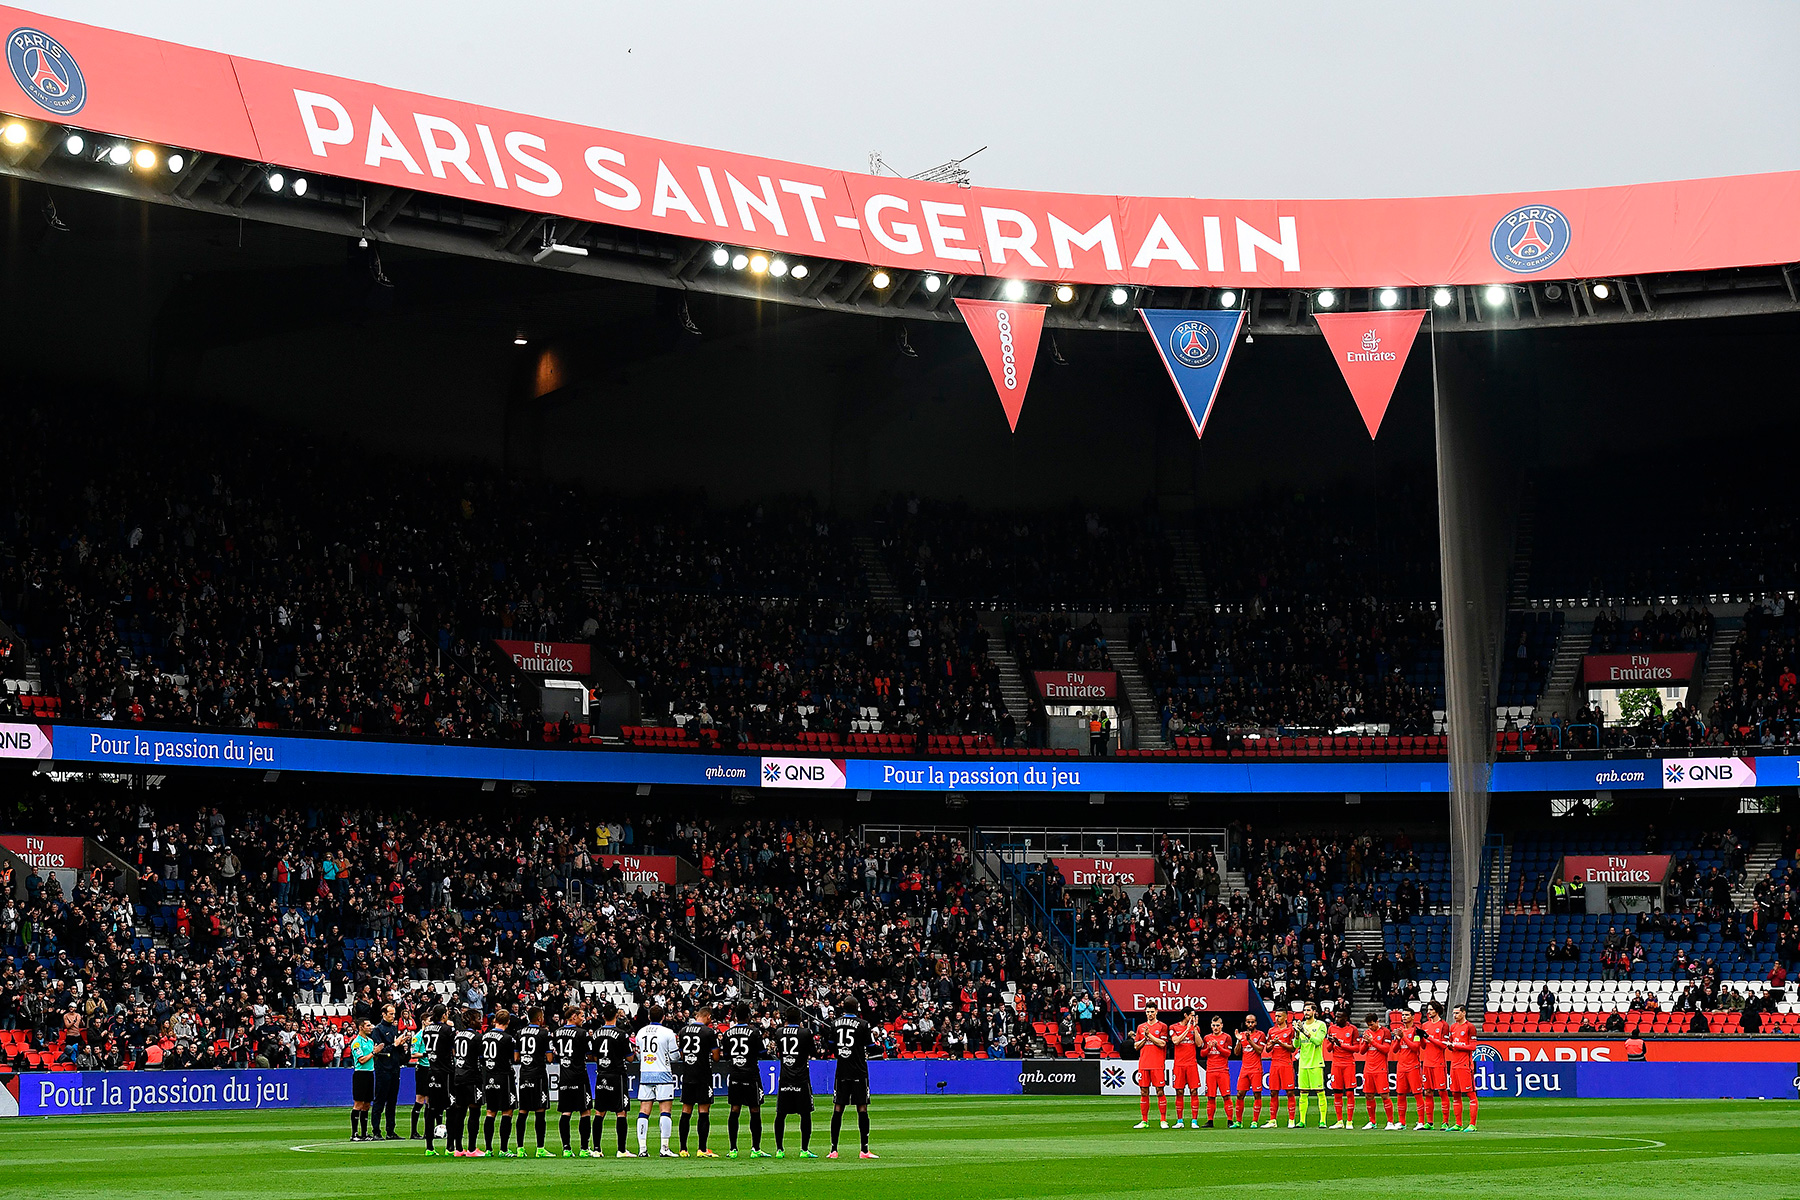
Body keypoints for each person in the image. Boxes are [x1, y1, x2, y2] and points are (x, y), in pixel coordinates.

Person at [828, 1002, 877, 1159]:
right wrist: (880, 1048)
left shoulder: (834, 1023)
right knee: (862, 1108)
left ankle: (834, 1150)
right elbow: (870, 1047)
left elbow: (830, 1046)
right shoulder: (863, 1024)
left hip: (842, 1070)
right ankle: (864, 1150)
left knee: (838, 1108)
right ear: (857, 1008)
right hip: (858, 1070)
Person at [634, 1003, 682, 1158]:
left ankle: (642, 1149)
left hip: (646, 1073)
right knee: (665, 1111)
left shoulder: (640, 1032)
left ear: (649, 1017)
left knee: (644, 1111)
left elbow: (640, 1055)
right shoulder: (668, 1032)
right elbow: (675, 1056)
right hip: (663, 1074)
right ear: (663, 1017)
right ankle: (664, 1147)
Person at [722, 1001, 768, 1158]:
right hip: (751, 1075)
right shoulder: (754, 1032)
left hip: (735, 1074)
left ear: (735, 1017)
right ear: (748, 1016)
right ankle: (755, 1149)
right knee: (754, 1110)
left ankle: (733, 1149)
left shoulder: (728, 1033)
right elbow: (763, 1052)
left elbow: (726, 1055)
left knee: (734, 1110)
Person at [773, 1012, 819, 1158]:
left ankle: (779, 1149)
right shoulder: (805, 1032)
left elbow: (779, 1051)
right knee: (805, 1114)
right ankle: (804, 1150)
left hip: (785, 1077)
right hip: (801, 1078)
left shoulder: (779, 1032)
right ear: (800, 1019)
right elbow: (813, 1051)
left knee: (781, 1114)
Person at [553, 1003, 597, 1156]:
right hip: (579, 1076)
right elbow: (591, 1053)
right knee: (585, 1111)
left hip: (564, 1077)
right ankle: (584, 1149)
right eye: (581, 1016)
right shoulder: (582, 1033)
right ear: (573, 1017)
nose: (583, 1019)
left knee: (566, 1112)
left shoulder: (557, 1033)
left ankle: (566, 1148)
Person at [591, 1002, 634, 1156]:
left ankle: (596, 1149)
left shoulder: (596, 1033)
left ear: (603, 1016)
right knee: (621, 1112)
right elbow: (630, 1058)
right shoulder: (622, 1034)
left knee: (599, 1112)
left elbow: (593, 1056)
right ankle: (621, 1150)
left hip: (601, 1074)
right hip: (617, 1075)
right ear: (616, 1015)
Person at [677, 1004, 720, 1157]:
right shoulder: (709, 1032)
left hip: (688, 1075)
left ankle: (683, 1149)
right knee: (703, 1111)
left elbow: (682, 1055)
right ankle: (702, 1149)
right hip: (703, 1076)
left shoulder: (683, 1031)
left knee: (686, 1110)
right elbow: (716, 1058)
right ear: (708, 1017)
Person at [514, 1006, 553, 1157]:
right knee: (540, 1111)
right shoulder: (544, 1033)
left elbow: (516, 1057)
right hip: (538, 1075)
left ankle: (520, 1148)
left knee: (523, 1111)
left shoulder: (519, 1033)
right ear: (539, 1018)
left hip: (524, 1075)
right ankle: (540, 1148)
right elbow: (550, 1059)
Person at [480, 1009, 519, 1156]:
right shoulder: (508, 1038)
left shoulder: (485, 1036)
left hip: (489, 1076)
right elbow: (514, 1058)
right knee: (507, 1111)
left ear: (495, 1020)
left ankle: (488, 1149)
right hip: (504, 1076)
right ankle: (503, 1149)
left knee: (490, 1112)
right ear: (508, 1022)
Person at [415, 1005, 453, 1156]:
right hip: (445, 1072)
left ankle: (429, 1147)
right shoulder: (447, 1030)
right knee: (450, 1108)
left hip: (431, 1070)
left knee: (431, 1108)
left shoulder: (426, 1030)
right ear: (444, 1015)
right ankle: (450, 1147)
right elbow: (453, 1049)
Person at [448, 1009, 482, 1155]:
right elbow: (482, 1056)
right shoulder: (477, 1037)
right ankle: (472, 1148)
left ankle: (458, 1148)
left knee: (460, 1112)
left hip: (458, 1075)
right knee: (474, 1112)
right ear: (472, 1021)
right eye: (478, 1018)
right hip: (472, 1077)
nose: (481, 1021)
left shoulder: (458, 1036)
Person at [1130, 1002, 1170, 1129]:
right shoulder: (1141, 1027)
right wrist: (1144, 1038)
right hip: (1144, 1063)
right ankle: (1144, 1121)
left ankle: (1163, 1120)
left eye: (1152, 1011)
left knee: (1159, 1091)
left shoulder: (1162, 1026)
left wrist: (1149, 1036)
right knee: (1143, 1091)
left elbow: (1162, 1043)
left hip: (1157, 1063)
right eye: (1148, 1012)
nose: (1150, 1014)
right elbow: (1136, 1046)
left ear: (1156, 1012)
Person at [1444, 1005, 1480, 1131]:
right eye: (1453, 1013)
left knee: (1470, 1094)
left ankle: (1472, 1124)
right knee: (1455, 1094)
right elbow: (1453, 1045)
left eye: (1457, 1013)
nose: (1455, 1015)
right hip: (1454, 1064)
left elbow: (1473, 1047)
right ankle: (1458, 1124)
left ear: (1464, 1013)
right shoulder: (1453, 1027)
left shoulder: (1470, 1027)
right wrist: (1450, 1046)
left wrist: (1457, 1046)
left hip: (1465, 1065)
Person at [1325, 1009, 1361, 1129]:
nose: (1336, 1019)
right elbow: (1329, 1049)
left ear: (1346, 1018)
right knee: (1337, 1093)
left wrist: (1341, 1045)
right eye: (1336, 1016)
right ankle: (1339, 1121)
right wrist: (1332, 1042)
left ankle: (1349, 1121)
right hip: (1336, 1064)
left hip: (1348, 1063)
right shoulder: (1331, 1029)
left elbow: (1357, 1048)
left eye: (1339, 1017)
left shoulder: (1352, 1029)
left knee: (1350, 1092)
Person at [372, 1001, 403, 1139]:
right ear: (384, 1014)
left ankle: (390, 1130)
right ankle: (376, 1131)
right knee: (380, 1101)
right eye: (391, 1014)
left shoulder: (394, 1029)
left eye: (394, 1014)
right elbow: (380, 1050)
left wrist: (402, 1045)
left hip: (395, 1068)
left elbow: (396, 1049)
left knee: (392, 1101)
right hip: (383, 1069)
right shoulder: (377, 1030)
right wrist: (394, 1045)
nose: (393, 1016)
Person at [1200, 1014, 1237, 1129]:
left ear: (1221, 1026)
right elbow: (1202, 1054)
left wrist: (1218, 1047)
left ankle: (1230, 1120)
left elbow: (1228, 1053)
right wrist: (1209, 1048)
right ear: (1211, 1026)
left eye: (1217, 1025)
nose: (1215, 1027)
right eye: (1214, 1025)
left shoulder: (1227, 1037)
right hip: (1210, 1071)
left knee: (1226, 1096)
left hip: (1222, 1070)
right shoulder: (1207, 1038)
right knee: (1211, 1097)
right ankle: (1210, 1120)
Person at [1295, 1002, 1329, 1129]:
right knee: (1303, 1092)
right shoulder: (1301, 1025)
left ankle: (1322, 1121)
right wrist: (1297, 1033)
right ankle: (1302, 1120)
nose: (1306, 1012)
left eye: (1308, 1010)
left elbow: (1318, 1041)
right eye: (1304, 1010)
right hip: (1303, 1063)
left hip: (1315, 1063)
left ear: (1314, 1011)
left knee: (1320, 1092)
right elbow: (1296, 1045)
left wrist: (1304, 1032)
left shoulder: (1320, 1025)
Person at [1392, 1010, 1427, 1130]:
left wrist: (1404, 1037)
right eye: (1403, 1015)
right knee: (1401, 1095)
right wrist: (1397, 1039)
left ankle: (1421, 1122)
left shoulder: (1416, 1031)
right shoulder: (1400, 1031)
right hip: (1401, 1067)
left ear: (1412, 1017)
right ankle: (1402, 1122)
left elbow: (1415, 1047)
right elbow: (1395, 1050)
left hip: (1413, 1066)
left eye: (1407, 1015)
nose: (1404, 1017)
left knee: (1417, 1094)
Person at [1263, 1009, 1298, 1128]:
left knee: (1289, 1092)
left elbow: (1293, 1048)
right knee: (1273, 1092)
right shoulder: (1271, 1030)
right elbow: (1267, 1049)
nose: (1276, 1018)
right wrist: (1272, 1043)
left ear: (1285, 1018)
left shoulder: (1290, 1030)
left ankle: (1291, 1120)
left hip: (1286, 1063)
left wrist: (1281, 1043)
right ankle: (1273, 1120)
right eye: (1276, 1016)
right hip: (1274, 1063)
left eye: (1279, 1016)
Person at [1166, 1008, 1200, 1128]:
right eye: (1192, 1015)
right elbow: (1175, 1041)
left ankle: (1194, 1121)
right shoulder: (1173, 1027)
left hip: (1191, 1064)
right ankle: (1180, 1121)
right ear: (1186, 1015)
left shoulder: (1195, 1028)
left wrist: (1194, 1028)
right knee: (1179, 1091)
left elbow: (1199, 1044)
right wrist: (1187, 1029)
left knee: (1194, 1091)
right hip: (1179, 1064)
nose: (1194, 1017)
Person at [1417, 1001, 1449, 1131]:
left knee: (1442, 1092)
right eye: (1427, 1009)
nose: (1428, 1012)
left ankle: (1445, 1122)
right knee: (1428, 1092)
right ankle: (1429, 1122)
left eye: (1430, 1009)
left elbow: (1443, 1045)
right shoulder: (1425, 1025)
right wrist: (1421, 1038)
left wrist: (1428, 1037)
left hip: (1439, 1063)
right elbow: (1423, 1046)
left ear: (1437, 1010)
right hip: (1427, 1063)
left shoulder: (1444, 1025)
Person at [1360, 1016, 1395, 1130]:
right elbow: (1361, 1051)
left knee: (1384, 1095)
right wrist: (1366, 1043)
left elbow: (1385, 1049)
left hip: (1380, 1068)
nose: (1370, 1027)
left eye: (1372, 1024)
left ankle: (1390, 1122)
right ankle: (1372, 1122)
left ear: (1377, 1022)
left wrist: (1372, 1041)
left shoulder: (1385, 1032)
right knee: (1368, 1095)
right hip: (1368, 1068)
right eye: (1368, 1025)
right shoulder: (1366, 1032)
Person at [1234, 1016, 1266, 1128]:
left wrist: (1249, 1040)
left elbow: (1260, 1050)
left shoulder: (1260, 1035)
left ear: (1256, 1023)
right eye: (1248, 1022)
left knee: (1257, 1094)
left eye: (1252, 1022)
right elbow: (1237, 1053)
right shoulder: (1242, 1035)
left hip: (1256, 1069)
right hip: (1245, 1068)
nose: (1250, 1024)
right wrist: (1239, 1040)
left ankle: (1254, 1121)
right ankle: (1238, 1121)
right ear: (1246, 1023)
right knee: (1240, 1094)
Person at [349, 1019, 377, 1141]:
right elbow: (361, 1060)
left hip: (370, 1073)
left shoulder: (370, 1041)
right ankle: (354, 1133)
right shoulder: (356, 1043)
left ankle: (364, 1133)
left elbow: (372, 1058)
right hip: (360, 1074)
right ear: (361, 1027)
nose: (370, 1027)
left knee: (367, 1105)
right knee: (358, 1104)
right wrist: (374, 1052)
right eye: (368, 1025)